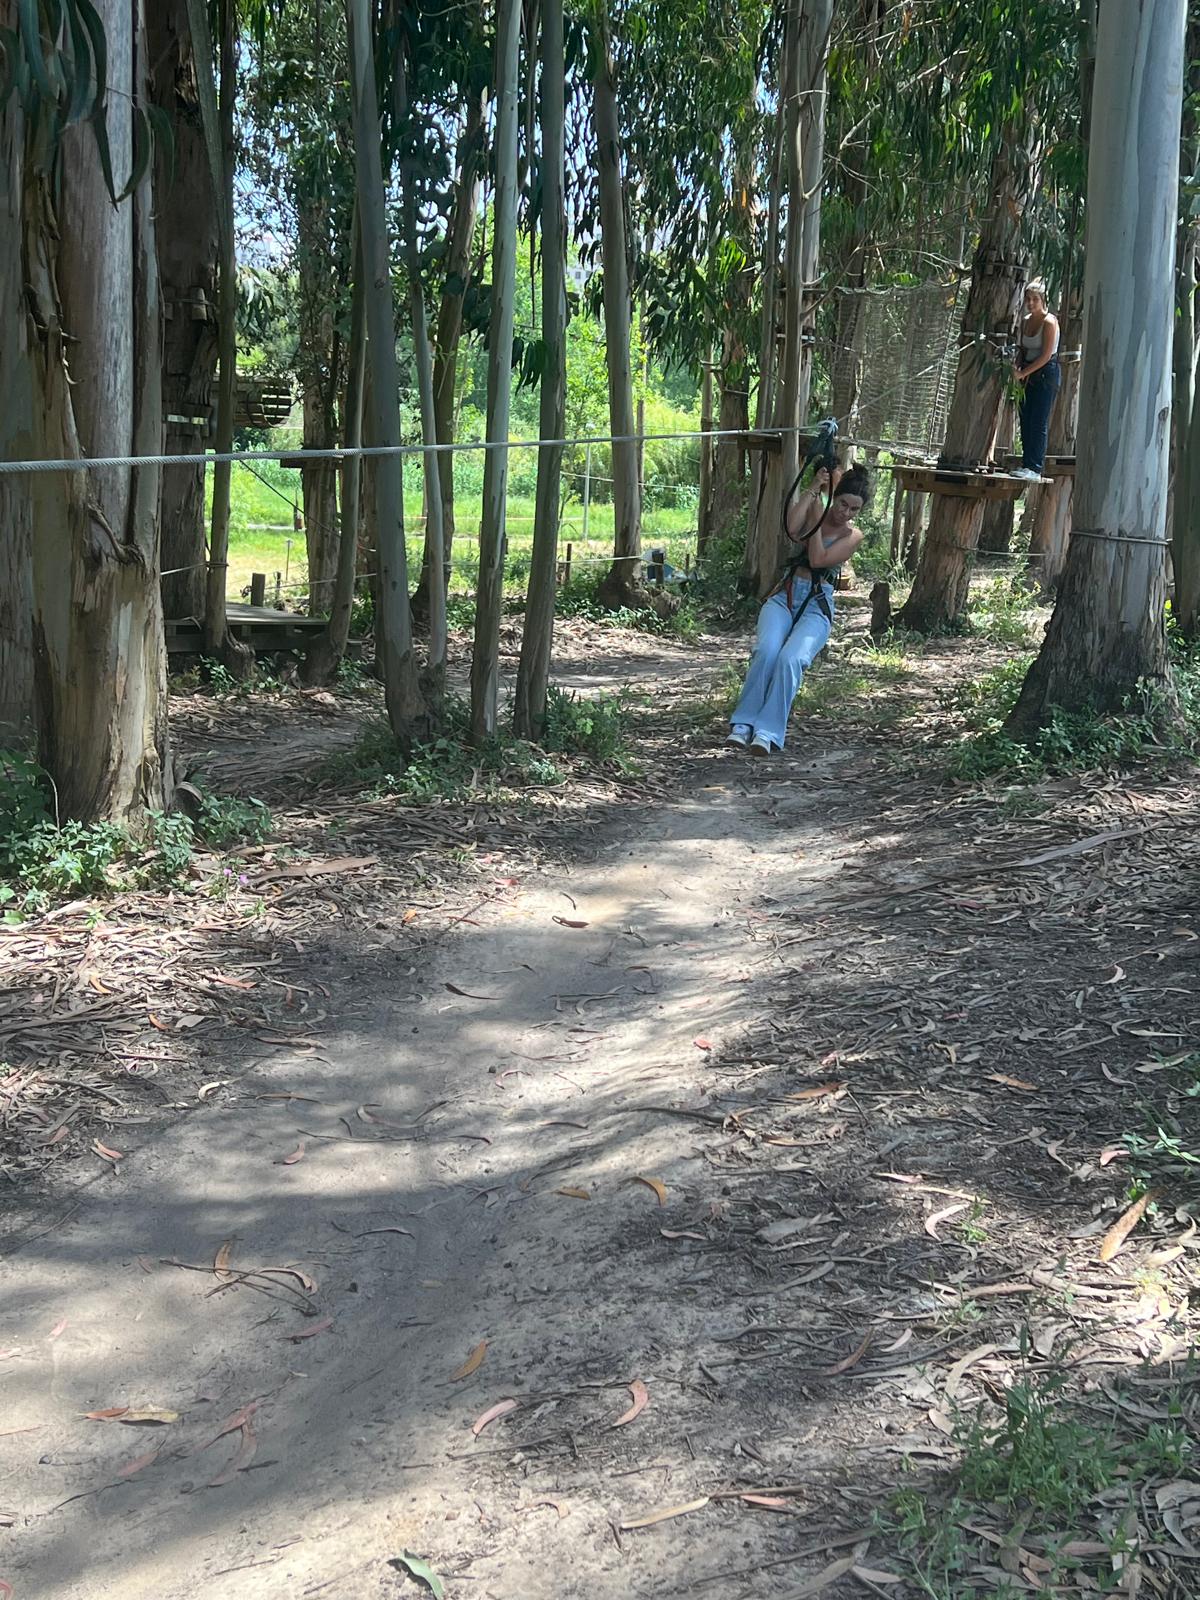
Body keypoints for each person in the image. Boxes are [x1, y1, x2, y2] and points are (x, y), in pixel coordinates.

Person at [726, 463, 868, 758]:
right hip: (785, 595)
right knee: (766, 651)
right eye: (843, 504)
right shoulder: (817, 507)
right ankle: (743, 724)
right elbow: (791, 527)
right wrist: (814, 488)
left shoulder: (853, 536)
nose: (846, 513)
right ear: (835, 496)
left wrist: (815, 522)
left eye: (854, 509)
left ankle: (767, 732)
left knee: (791, 659)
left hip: (817, 605)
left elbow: (818, 559)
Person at [1012, 280, 1061, 482]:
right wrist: (1017, 366)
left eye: (1035, 299)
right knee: (1025, 418)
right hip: (1027, 373)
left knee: (1038, 420)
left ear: (1043, 300)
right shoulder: (1025, 321)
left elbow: (1046, 355)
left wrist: (1024, 373)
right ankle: (1026, 463)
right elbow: (1022, 349)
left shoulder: (1049, 322)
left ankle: (1035, 467)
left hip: (1045, 374)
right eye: (1028, 299)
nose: (1031, 303)